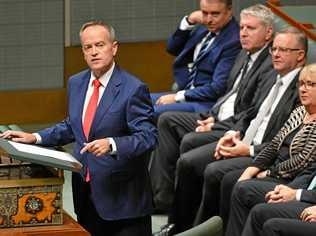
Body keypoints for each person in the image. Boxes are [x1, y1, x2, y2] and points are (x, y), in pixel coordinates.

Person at [0, 21, 157, 236]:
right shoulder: (76, 83)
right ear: (83, 52)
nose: (94, 52)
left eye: (100, 45)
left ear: (114, 47)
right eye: (87, 47)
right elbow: (72, 125)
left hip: (123, 201)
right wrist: (34, 137)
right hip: (85, 192)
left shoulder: (133, 88)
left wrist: (112, 144)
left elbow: (148, 137)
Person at [158, 27, 307, 235]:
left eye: (283, 50)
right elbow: (250, 112)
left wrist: (249, 151)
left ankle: (203, 230)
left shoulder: (303, 88)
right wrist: (232, 134)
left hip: (264, 153)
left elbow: (287, 143)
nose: (276, 54)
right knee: (190, 160)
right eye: (274, 49)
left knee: (216, 172)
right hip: (245, 139)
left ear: (300, 56)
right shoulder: (275, 77)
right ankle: (181, 226)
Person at [150, 4, 274, 215]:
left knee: (166, 118)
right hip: (215, 110)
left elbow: (241, 104)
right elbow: (230, 93)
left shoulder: (247, 51)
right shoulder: (243, 52)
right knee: (143, 104)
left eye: (250, 28)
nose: (243, 33)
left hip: (221, 115)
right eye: (243, 27)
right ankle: (154, 192)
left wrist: (215, 122)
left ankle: (168, 204)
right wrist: (213, 117)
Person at [225, 63, 316, 236]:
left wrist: (268, 173)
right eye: (301, 84)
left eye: (311, 84)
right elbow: (274, 144)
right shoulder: (298, 112)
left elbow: (303, 160)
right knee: (236, 180)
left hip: (291, 177)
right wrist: (250, 170)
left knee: (243, 191)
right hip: (277, 170)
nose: (303, 89)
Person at [151, 0, 241, 119]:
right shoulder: (204, 28)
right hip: (186, 92)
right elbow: (172, 48)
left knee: (150, 111)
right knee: (137, 100)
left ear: (229, 11)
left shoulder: (234, 40)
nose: (208, 19)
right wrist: (189, 21)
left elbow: (217, 89)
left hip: (205, 103)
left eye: (215, 14)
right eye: (204, 13)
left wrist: (178, 96)